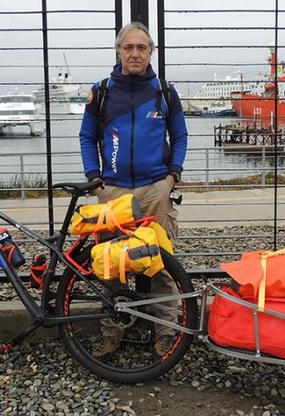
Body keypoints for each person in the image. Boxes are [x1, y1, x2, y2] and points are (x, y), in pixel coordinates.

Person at [78, 22, 188, 359]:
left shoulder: (164, 91)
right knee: (110, 265)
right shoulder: (102, 92)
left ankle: (166, 335)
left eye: (142, 48)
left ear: (151, 52)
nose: (135, 53)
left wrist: (172, 177)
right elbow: (87, 137)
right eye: (129, 48)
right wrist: (95, 177)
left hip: (155, 190)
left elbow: (181, 136)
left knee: (162, 267)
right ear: (118, 51)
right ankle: (113, 332)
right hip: (114, 194)